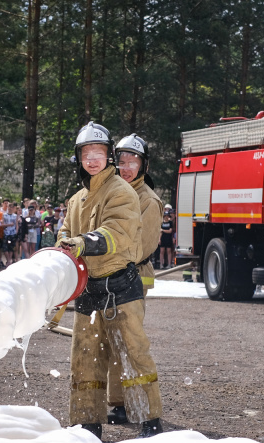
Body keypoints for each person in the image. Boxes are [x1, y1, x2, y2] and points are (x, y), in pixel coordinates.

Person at [57, 121, 163, 440]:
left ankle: (149, 421)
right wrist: (62, 242)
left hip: (121, 287)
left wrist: (83, 244)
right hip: (88, 290)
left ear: (109, 157)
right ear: (79, 158)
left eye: (98, 153)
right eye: (86, 153)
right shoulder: (77, 199)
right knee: (85, 357)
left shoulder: (122, 192)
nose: (92, 159)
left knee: (133, 352)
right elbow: (65, 229)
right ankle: (87, 423)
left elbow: (116, 232)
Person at [104, 133, 164, 425]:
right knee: (111, 341)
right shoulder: (111, 192)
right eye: (122, 161)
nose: (126, 167)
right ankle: (118, 401)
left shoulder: (148, 201)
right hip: (107, 277)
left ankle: (135, 404)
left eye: (133, 161)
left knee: (129, 343)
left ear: (144, 165)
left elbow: (144, 246)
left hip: (133, 278)